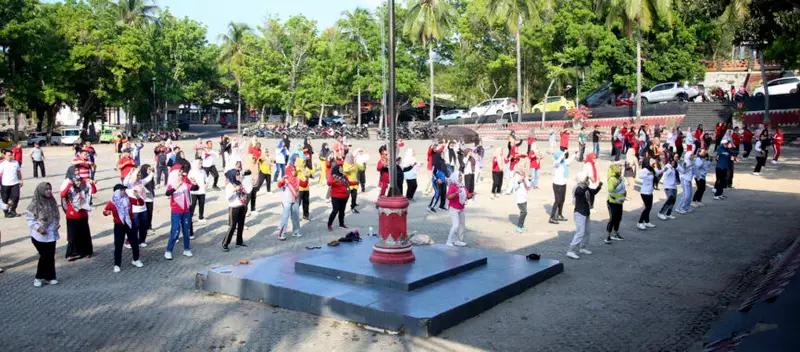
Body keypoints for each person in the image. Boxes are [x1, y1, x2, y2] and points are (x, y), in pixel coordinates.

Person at [26, 182, 61, 287]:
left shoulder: (52, 201)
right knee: (44, 256)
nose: (49, 191)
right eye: (46, 189)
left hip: (51, 234)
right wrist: (39, 228)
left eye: (50, 189)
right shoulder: (34, 204)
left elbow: (56, 215)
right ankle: (38, 277)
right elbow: (30, 220)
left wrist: (56, 224)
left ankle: (50, 277)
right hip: (39, 236)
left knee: (50, 256)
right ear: (41, 191)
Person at [103, 184, 144, 273]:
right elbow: (105, 211)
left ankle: (136, 259)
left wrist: (138, 196)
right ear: (117, 192)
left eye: (124, 190)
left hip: (130, 223)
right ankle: (117, 264)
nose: (124, 191)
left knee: (134, 242)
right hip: (119, 225)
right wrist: (107, 213)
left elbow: (141, 203)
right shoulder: (112, 202)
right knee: (118, 245)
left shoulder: (128, 199)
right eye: (122, 190)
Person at [566, 171, 603, 259]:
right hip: (579, 213)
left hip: (586, 213)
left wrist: (599, 185)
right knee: (580, 233)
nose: (588, 180)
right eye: (586, 179)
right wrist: (585, 184)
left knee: (587, 232)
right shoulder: (578, 189)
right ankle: (570, 251)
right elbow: (581, 192)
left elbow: (593, 192)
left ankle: (582, 247)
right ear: (582, 180)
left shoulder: (586, 188)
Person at [164, 162, 196, 260]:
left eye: (181, 172)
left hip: (186, 210)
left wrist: (195, 183)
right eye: (179, 172)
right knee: (175, 230)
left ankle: (186, 249)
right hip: (176, 210)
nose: (181, 174)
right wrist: (176, 187)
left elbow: (195, 188)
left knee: (186, 230)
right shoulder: (172, 184)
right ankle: (168, 250)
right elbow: (167, 193)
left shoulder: (185, 182)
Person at [275, 157, 302, 240]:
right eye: (297, 160)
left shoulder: (299, 171)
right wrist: (282, 180)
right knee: (285, 216)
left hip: (296, 196)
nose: (299, 161)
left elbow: (303, 183)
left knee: (296, 215)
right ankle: (281, 233)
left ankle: (296, 231)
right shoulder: (288, 170)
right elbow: (279, 185)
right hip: (287, 197)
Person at [223, 168, 249, 251]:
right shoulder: (230, 186)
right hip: (233, 208)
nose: (238, 176)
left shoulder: (239, 183)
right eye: (237, 174)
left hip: (241, 206)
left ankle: (239, 241)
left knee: (241, 224)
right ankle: (225, 243)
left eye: (239, 174)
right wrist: (235, 190)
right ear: (233, 176)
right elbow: (228, 198)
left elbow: (245, 192)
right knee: (232, 226)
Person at [327, 164, 357, 231]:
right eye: (340, 168)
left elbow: (348, 183)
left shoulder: (344, 176)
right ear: (337, 169)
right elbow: (329, 183)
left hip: (344, 196)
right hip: (335, 197)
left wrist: (355, 182)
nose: (342, 169)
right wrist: (335, 181)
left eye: (342, 167)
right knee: (335, 210)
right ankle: (329, 224)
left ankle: (341, 224)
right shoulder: (333, 176)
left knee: (342, 211)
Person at [445, 170, 471, 246]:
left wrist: (471, 195)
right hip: (453, 208)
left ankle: (459, 240)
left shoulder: (462, 185)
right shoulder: (452, 186)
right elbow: (448, 197)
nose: (461, 177)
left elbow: (467, 195)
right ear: (455, 177)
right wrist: (456, 193)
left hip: (461, 208)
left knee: (462, 224)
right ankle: (449, 241)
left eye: (461, 175)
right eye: (459, 176)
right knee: (455, 225)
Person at [637, 158, 662, 230]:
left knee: (649, 207)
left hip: (650, 191)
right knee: (647, 207)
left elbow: (658, 172)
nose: (653, 162)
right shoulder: (645, 170)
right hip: (644, 192)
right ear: (648, 162)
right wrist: (650, 173)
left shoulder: (652, 169)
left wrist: (665, 168)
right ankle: (640, 222)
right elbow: (640, 176)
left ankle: (647, 222)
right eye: (651, 161)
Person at [605, 163, 626, 243]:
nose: (620, 170)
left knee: (618, 218)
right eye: (619, 169)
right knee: (612, 218)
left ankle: (616, 233)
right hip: (612, 202)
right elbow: (610, 191)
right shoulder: (612, 179)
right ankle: (608, 236)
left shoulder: (620, 178)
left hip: (619, 202)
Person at [548, 149, 570, 224]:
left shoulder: (564, 162)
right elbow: (558, 161)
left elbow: (569, 161)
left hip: (563, 183)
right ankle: (552, 217)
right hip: (557, 184)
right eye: (562, 156)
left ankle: (559, 215)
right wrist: (563, 154)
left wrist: (575, 154)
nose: (564, 157)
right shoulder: (556, 163)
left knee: (562, 200)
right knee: (557, 200)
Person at [0, 149, 23, 217]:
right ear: (5, 156)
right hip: (5, 184)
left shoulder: (15, 162)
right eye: (8, 155)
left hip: (15, 183)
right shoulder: (2, 164)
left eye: (11, 155)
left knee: (16, 197)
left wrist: (21, 180)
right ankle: (6, 213)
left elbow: (18, 172)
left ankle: (13, 210)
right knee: (5, 199)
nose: (10, 157)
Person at [188, 159, 208, 231]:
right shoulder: (191, 171)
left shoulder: (203, 171)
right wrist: (192, 182)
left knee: (201, 204)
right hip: (194, 191)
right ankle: (190, 217)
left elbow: (206, 178)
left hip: (202, 191)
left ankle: (201, 217)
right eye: (199, 163)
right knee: (192, 204)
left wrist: (206, 184)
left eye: (201, 163)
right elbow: (188, 179)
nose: (201, 165)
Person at [509, 168, 531, 233]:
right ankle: (519, 227)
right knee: (524, 212)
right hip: (519, 199)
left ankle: (521, 226)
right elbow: (515, 188)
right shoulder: (516, 178)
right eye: (522, 171)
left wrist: (526, 179)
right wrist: (519, 182)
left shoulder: (525, 178)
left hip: (524, 198)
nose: (523, 172)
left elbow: (529, 186)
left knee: (523, 212)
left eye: (524, 171)